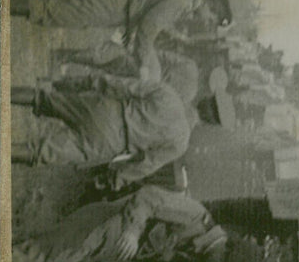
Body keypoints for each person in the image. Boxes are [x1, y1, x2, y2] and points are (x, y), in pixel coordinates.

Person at [12, 184, 227, 262]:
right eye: (203, 251)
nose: (196, 252)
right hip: (96, 228)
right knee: (37, 259)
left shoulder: (193, 249)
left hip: (97, 250)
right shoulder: (194, 215)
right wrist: (133, 232)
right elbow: (149, 196)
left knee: (39, 256)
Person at [11, 0, 231, 72]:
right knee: (52, 12)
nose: (206, 22)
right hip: (113, 6)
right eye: (211, 18)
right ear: (210, 5)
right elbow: (148, 28)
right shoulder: (183, 1)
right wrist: (145, 65)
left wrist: (132, 28)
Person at [11, 75, 192, 189]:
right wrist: (114, 179)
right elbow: (147, 164)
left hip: (105, 109)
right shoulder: (181, 142)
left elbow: (121, 85)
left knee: (42, 99)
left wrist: (79, 84)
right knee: (41, 152)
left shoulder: (171, 96)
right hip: (110, 143)